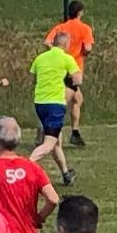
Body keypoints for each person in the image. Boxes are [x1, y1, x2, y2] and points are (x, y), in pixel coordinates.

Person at [27, 28, 84, 175]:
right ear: (65, 44)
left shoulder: (40, 58)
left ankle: (66, 174)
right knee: (49, 144)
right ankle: (25, 166)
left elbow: (34, 78)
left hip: (40, 102)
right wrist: (67, 79)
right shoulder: (67, 58)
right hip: (55, 103)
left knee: (56, 140)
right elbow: (78, 80)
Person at [45, 3, 93, 148]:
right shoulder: (85, 28)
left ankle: (75, 132)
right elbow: (88, 48)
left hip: (60, 67)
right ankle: (48, 129)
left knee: (77, 99)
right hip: (74, 69)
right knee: (64, 100)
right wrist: (83, 52)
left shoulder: (60, 27)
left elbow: (47, 42)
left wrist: (57, 53)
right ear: (80, 13)